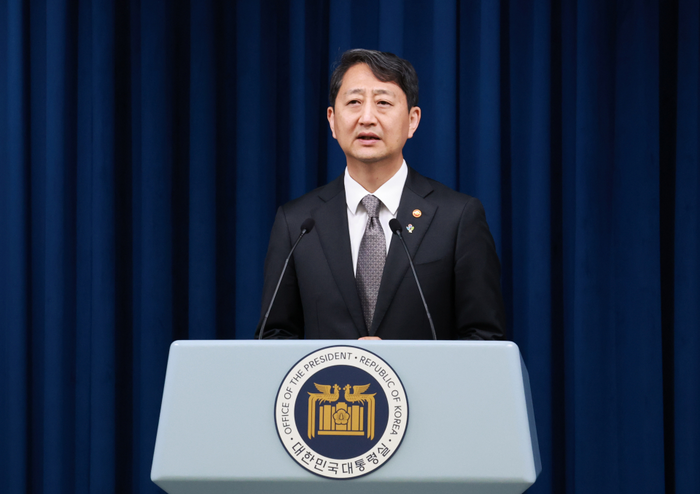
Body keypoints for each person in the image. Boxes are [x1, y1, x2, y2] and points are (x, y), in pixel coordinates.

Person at [255, 49, 505, 340]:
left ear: (412, 120)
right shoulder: (297, 223)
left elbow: (484, 338)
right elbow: (274, 337)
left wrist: (396, 362)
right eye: (354, 102)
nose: (367, 118)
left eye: (383, 102)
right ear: (332, 120)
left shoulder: (457, 218)